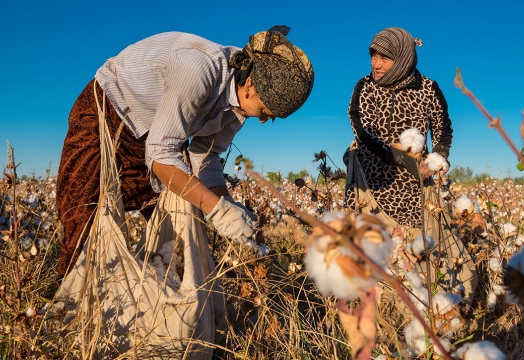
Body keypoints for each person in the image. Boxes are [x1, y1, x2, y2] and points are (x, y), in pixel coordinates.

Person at [56, 27, 314, 276]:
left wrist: (229, 207)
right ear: (250, 85)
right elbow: (160, 154)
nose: (263, 120)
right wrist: (217, 210)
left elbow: (206, 156)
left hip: (157, 134)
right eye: (267, 112)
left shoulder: (237, 111)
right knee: (82, 215)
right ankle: (72, 306)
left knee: (173, 233)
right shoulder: (199, 68)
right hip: (107, 112)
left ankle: (153, 303)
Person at [344, 27, 476, 303]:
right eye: (373, 56)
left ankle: (442, 314)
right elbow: (365, 135)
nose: (375, 64)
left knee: (432, 260)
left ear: (403, 58)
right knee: (380, 267)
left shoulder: (428, 89)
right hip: (375, 188)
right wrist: (408, 162)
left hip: (419, 192)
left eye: (384, 58)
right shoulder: (365, 88)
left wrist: (438, 159)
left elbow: (444, 129)